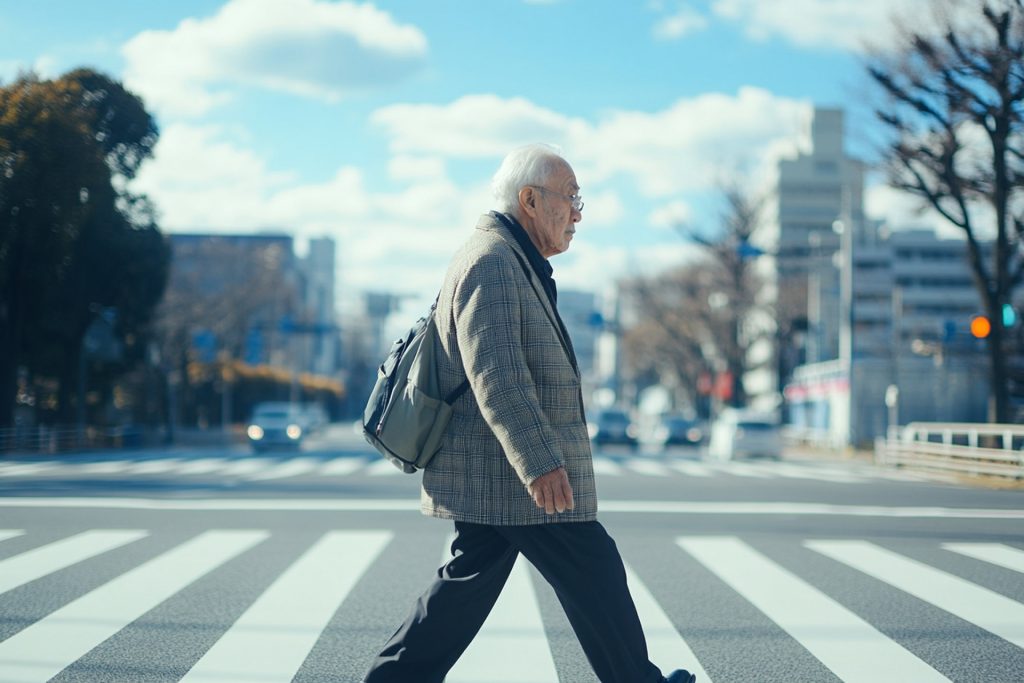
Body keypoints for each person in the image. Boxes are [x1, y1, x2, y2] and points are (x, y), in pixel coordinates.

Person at [362, 143, 697, 683]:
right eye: (572, 197)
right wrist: (539, 461)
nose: (579, 213)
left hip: (497, 474)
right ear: (530, 200)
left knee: (467, 588)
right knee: (594, 570)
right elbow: (497, 372)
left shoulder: (508, 257)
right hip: (513, 474)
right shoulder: (492, 261)